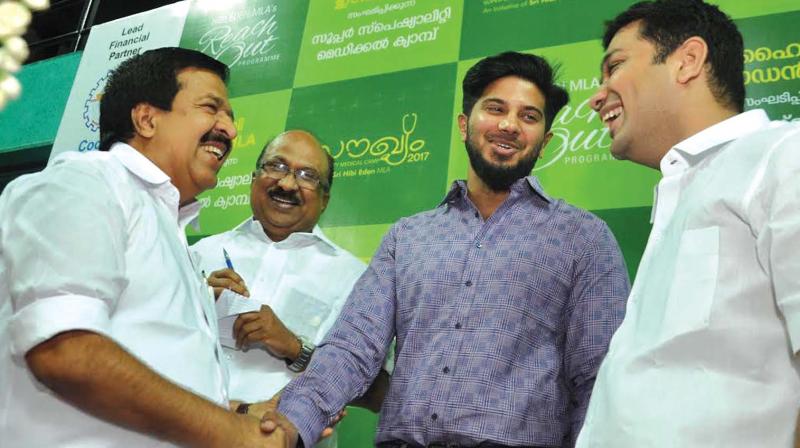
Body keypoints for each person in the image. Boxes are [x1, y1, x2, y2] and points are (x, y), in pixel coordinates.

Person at [268, 51, 630, 447]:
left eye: (528, 116)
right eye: (495, 109)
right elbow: (352, 349)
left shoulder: (583, 238)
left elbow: (601, 379)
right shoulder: (407, 237)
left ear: (544, 143)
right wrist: (289, 426)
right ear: (464, 124)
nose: (509, 125)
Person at [0, 47, 286, 447]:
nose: (231, 131)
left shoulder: (173, 234)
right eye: (211, 108)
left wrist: (241, 412)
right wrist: (233, 434)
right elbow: (64, 351)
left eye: (231, 118)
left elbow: (159, 371)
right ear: (147, 118)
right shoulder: (86, 183)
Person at [577, 1, 800, 446]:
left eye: (615, 67)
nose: (597, 95)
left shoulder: (782, 155)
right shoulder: (679, 193)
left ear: (688, 61)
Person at [191, 130, 391, 447]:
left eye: (307, 175)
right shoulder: (199, 254)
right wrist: (194, 299)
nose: (286, 184)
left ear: (325, 199)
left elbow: (379, 393)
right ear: (253, 177)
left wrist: (296, 349)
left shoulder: (359, 279)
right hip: (181, 432)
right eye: (277, 167)